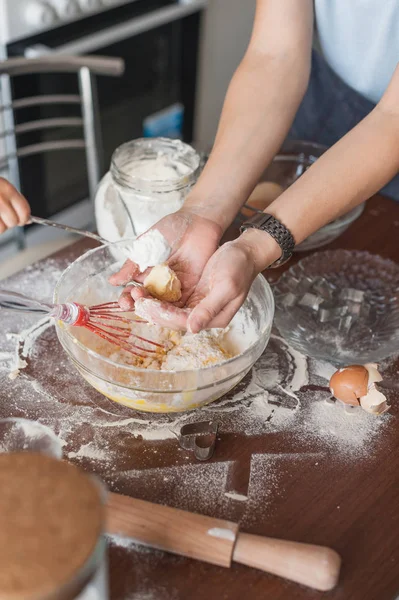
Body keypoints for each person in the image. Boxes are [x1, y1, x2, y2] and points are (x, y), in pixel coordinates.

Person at [3, 1, 399, 333]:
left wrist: (256, 245)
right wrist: (202, 211)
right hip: (329, 88)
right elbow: (275, 55)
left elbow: (392, 120)